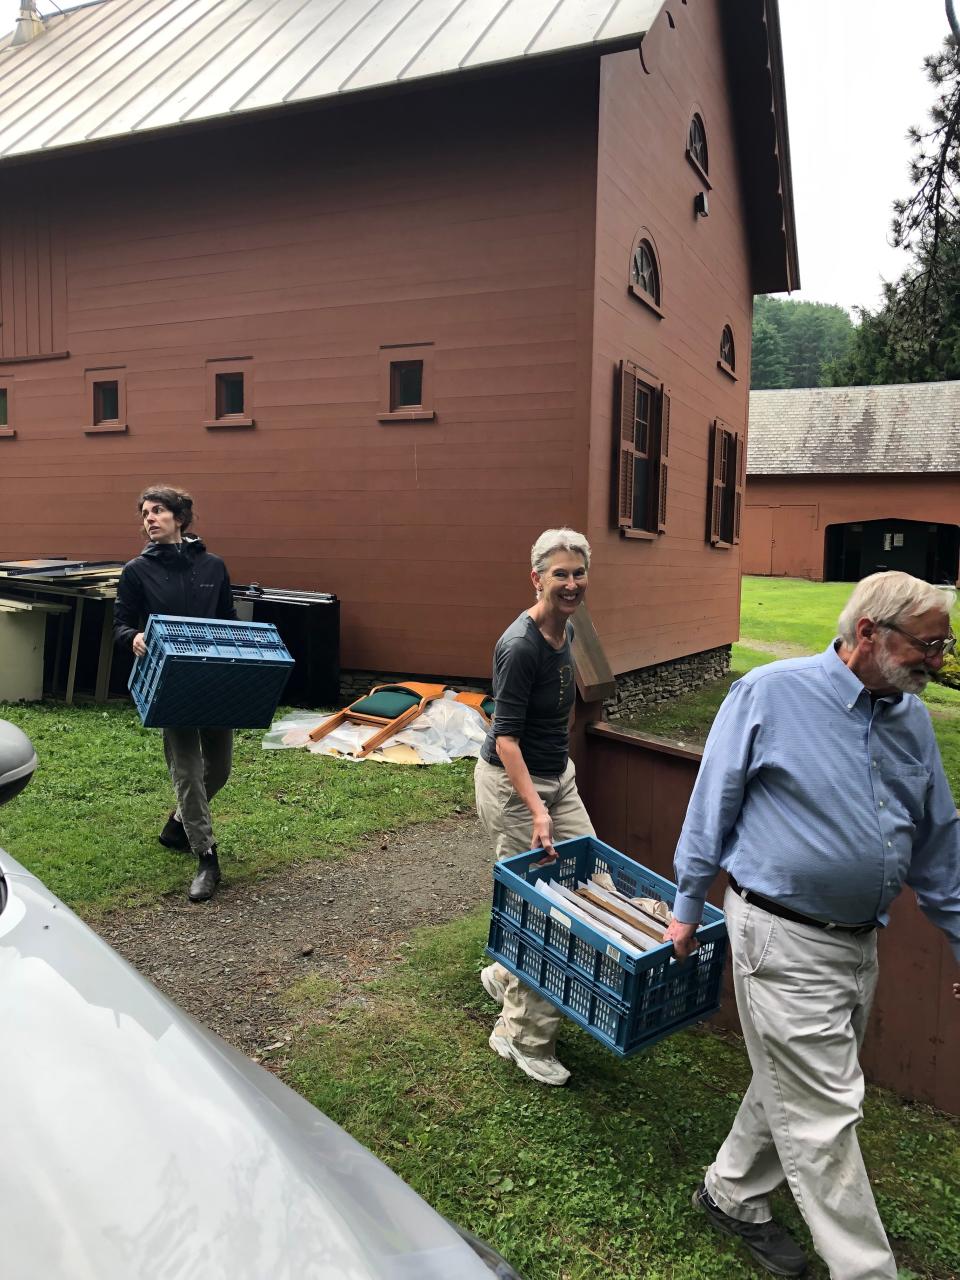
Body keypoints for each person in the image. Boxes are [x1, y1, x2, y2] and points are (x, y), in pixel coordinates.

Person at [663, 571, 960, 1279]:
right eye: (929, 644)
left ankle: (731, 1193)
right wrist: (685, 903)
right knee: (826, 1113)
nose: (940, 662)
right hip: (781, 935)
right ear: (869, 634)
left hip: (859, 943)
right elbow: (714, 802)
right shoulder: (771, 693)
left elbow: (939, 842)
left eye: (944, 645)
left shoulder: (910, 720)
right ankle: (867, 1271)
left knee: (795, 1079)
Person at [475, 528, 596, 1087]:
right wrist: (538, 810)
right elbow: (505, 739)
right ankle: (521, 1037)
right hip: (514, 786)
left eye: (578, 572)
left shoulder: (566, 628)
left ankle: (505, 974)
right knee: (548, 906)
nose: (571, 583)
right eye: (560, 574)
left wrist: (559, 783)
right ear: (537, 578)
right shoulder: (519, 645)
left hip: (557, 778)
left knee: (586, 882)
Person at [114, 485, 236, 903]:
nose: (149, 518)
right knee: (186, 768)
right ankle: (206, 856)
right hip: (169, 682)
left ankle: (176, 825)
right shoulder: (136, 571)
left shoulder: (214, 567)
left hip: (212, 680)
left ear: (179, 519)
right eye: (145, 513)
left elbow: (229, 621)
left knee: (218, 768)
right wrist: (133, 636)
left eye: (158, 511)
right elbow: (121, 623)